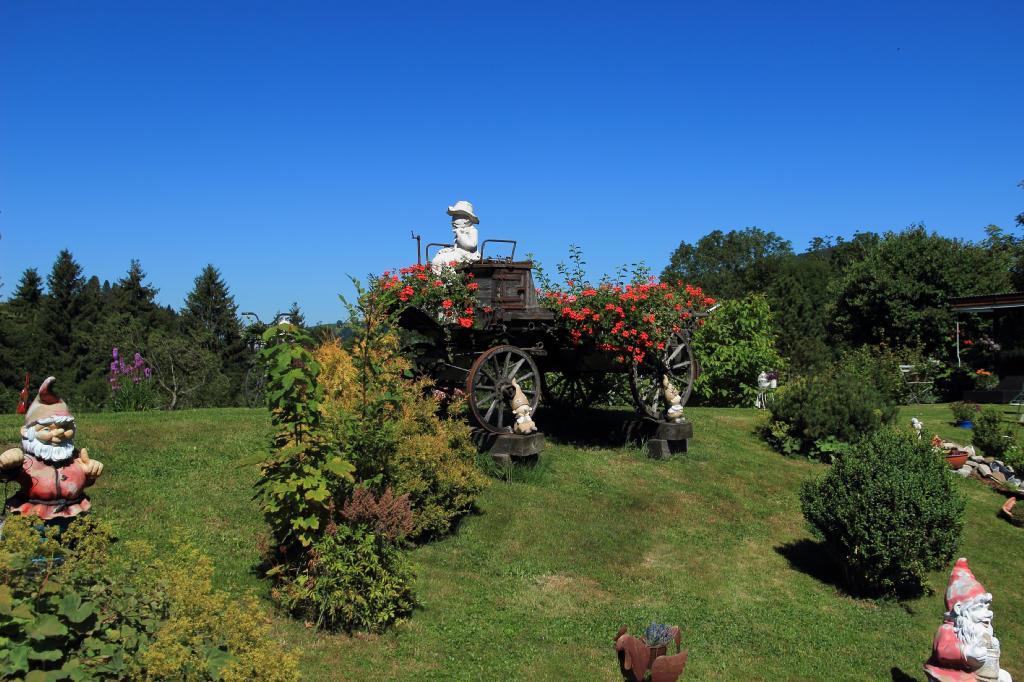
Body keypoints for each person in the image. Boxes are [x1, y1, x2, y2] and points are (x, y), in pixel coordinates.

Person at [0, 377, 104, 524]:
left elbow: (80, 482)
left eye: (65, 428)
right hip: (36, 518)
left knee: (76, 541)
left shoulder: (74, 458)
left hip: (74, 515)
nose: (59, 433)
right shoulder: (28, 462)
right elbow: (5, 476)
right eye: (47, 429)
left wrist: (89, 473)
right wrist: (7, 464)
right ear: (26, 431)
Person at [924, 558, 1012, 682]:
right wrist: (966, 652)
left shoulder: (980, 630)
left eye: (987, 607)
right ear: (959, 609)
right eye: (980, 607)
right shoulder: (947, 629)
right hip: (953, 674)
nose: (989, 613)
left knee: (1005, 677)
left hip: (975, 673)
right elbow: (942, 650)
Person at [431, 200, 481, 270]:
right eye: (452, 219)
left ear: (466, 219)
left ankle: (451, 279)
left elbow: (471, 245)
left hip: (467, 256)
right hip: (459, 253)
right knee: (436, 259)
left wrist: (460, 235)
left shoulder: (472, 230)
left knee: (444, 262)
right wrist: (450, 250)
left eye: (455, 218)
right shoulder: (460, 230)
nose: (453, 221)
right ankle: (439, 278)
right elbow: (458, 247)